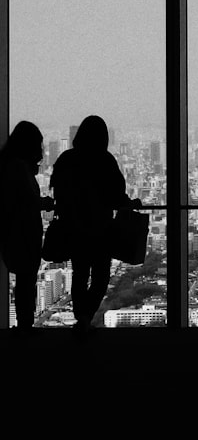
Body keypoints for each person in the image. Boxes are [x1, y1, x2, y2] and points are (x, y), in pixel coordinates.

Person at [51, 115, 139, 335]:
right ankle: (85, 318)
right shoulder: (105, 160)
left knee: (80, 275)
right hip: (101, 229)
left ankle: (81, 317)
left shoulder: (66, 159)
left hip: (74, 228)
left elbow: (59, 194)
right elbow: (117, 195)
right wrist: (128, 204)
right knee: (100, 278)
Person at [0, 121, 54, 331]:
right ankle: (25, 326)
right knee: (25, 284)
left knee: (24, 283)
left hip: (17, 234)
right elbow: (27, 200)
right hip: (23, 235)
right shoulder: (18, 168)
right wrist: (44, 202)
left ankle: (25, 325)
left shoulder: (10, 165)